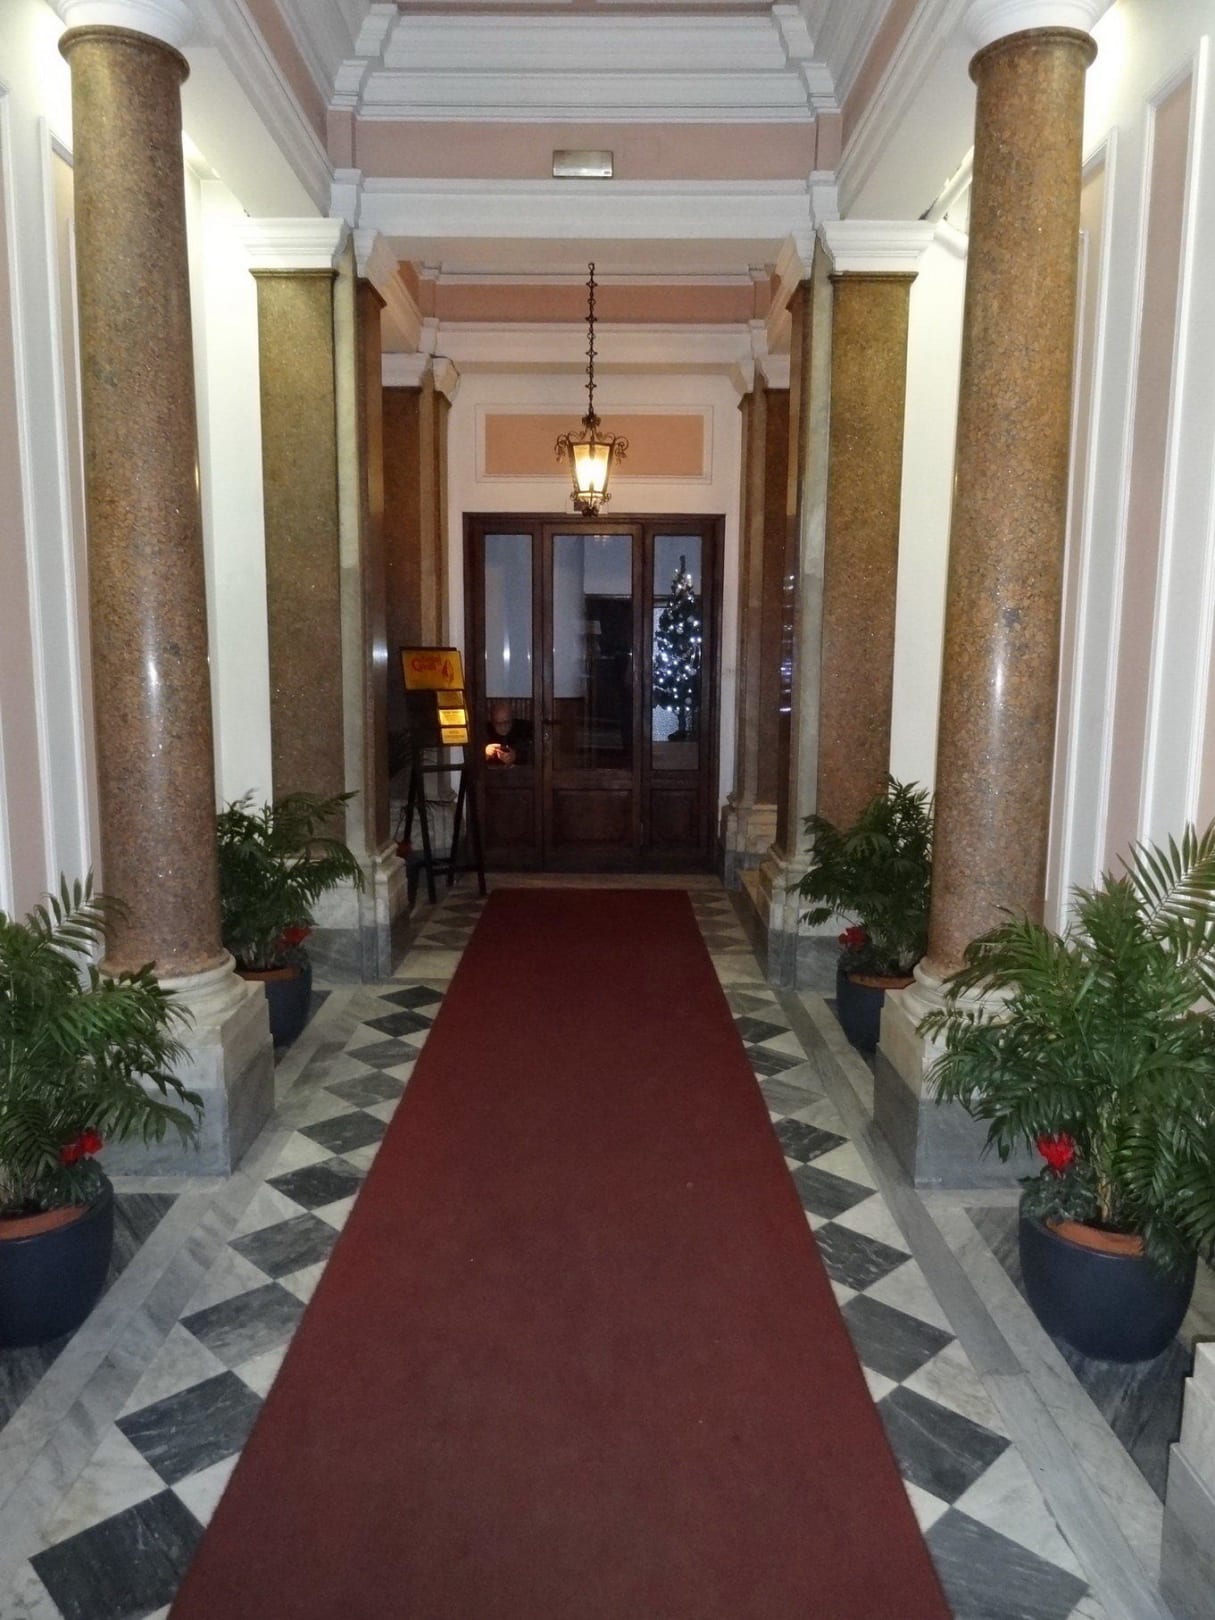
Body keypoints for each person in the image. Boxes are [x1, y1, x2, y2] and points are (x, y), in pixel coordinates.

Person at [484, 700, 532, 766]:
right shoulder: (484, 731)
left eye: (506, 722)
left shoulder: (524, 728)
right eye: (498, 723)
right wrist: (485, 753)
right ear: (492, 721)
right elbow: (473, 757)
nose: (503, 727)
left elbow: (534, 753)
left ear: (512, 719)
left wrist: (516, 756)